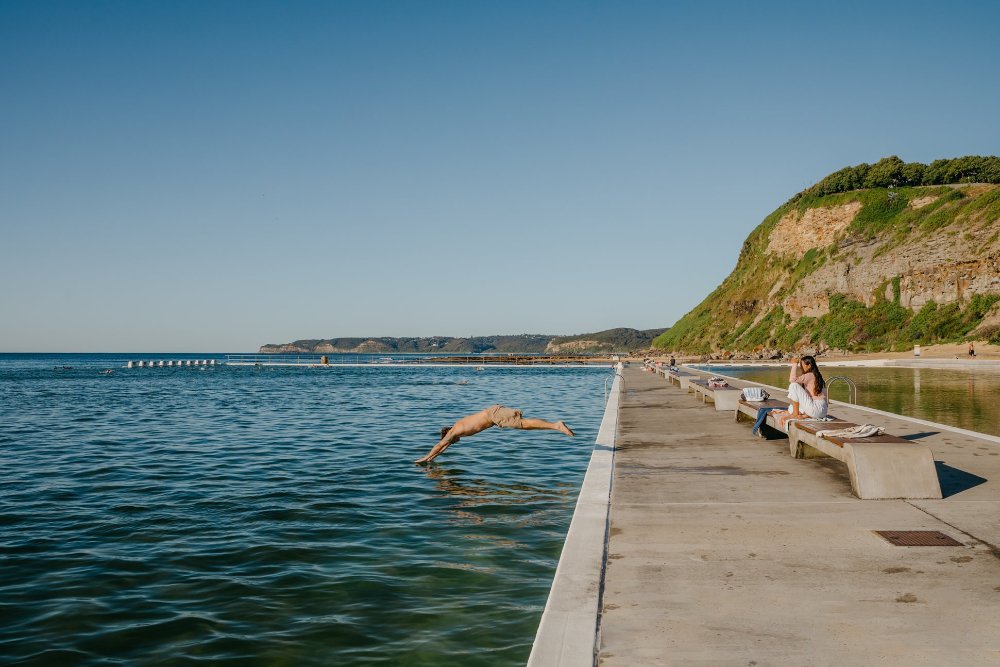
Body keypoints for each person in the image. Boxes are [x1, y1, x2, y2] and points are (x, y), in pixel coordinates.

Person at [414, 404, 574, 464]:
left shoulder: (455, 431)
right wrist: (430, 460)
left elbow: (440, 445)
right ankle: (554, 426)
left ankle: (556, 425)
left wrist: (424, 457)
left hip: (493, 415)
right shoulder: (457, 428)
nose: (453, 443)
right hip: (494, 414)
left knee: (523, 424)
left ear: (448, 434)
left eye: (451, 441)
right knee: (523, 424)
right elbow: (443, 448)